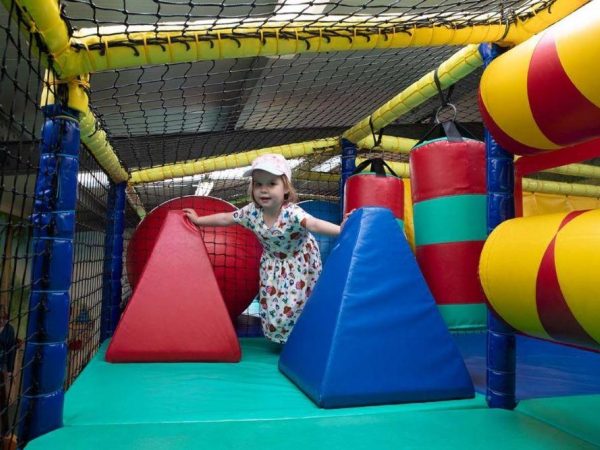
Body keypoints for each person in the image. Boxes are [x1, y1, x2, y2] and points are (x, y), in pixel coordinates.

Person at [183, 153, 342, 344]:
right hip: (272, 264)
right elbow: (226, 218)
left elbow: (314, 224)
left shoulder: (291, 212)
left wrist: (342, 230)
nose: (264, 190)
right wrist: (199, 220)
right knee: (272, 305)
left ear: (286, 188)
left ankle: (303, 339)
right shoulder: (252, 212)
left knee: (298, 302)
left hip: (299, 262)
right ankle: (283, 339)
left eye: (272, 184)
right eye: (258, 184)